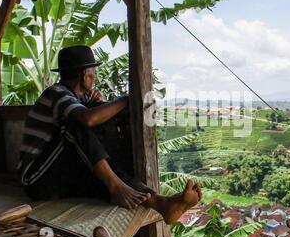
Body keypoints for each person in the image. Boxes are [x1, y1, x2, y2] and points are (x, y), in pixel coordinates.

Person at [17, 45, 201, 225]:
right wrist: (125, 100)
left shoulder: (78, 99)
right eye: (93, 72)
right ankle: (116, 186)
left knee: (102, 171)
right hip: (37, 178)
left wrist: (100, 104)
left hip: (58, 178)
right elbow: (87, 120)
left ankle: (160, 203)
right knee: (76, 124)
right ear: (85, 74)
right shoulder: (56, 93)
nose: (94, 76)